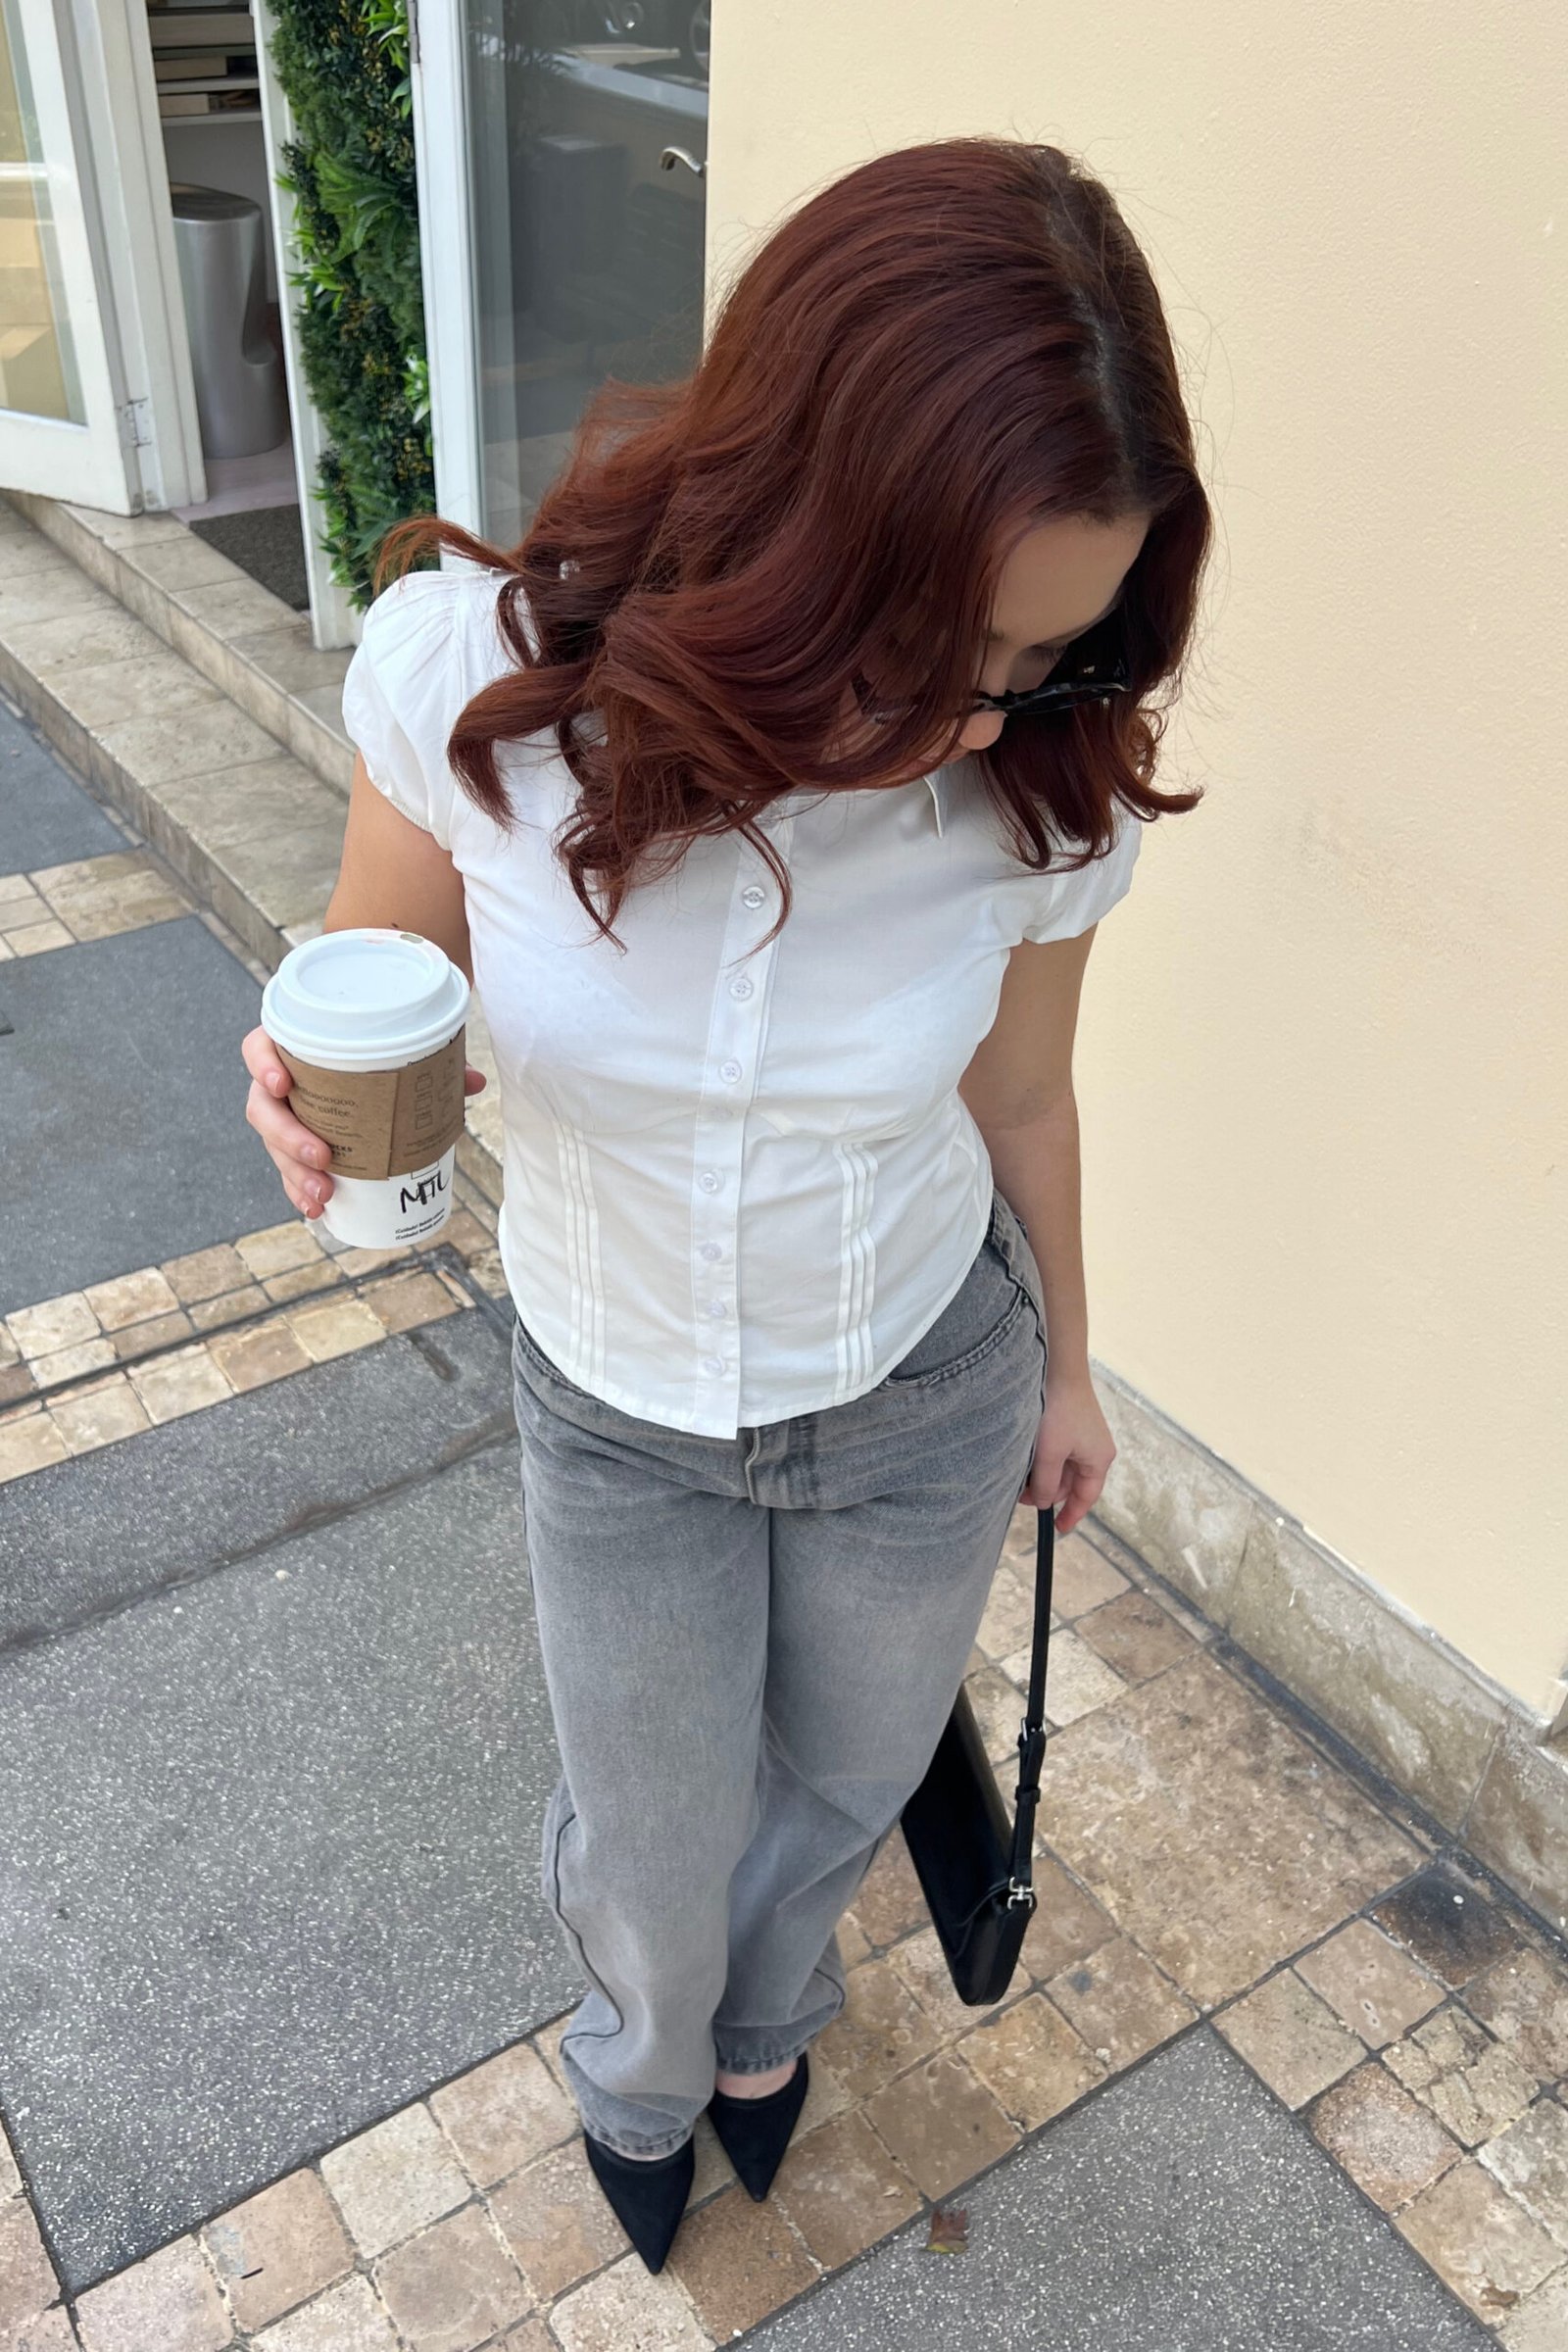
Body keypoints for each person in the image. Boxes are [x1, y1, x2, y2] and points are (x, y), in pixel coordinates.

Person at [242, 133, 1209, 2274]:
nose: (976, 715)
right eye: (937, 641)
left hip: (920, 1391)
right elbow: (376, 975)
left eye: (1038, 657)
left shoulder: (1035, 790)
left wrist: (1068, 1368)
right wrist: (306, 1082)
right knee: (651, 1829)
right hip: (620, 1407)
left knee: (841, 1788)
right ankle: (638, 2064)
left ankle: (767, 2033)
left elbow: (1023, 1099)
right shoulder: (476, 693)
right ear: (790, 515)